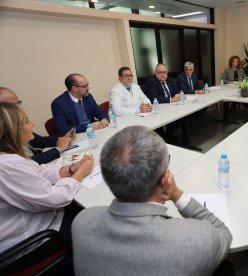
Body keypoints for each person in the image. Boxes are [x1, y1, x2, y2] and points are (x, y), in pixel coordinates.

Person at [72, 126, 232, 275]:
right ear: (165, 180)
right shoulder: (195, 238)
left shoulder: (82, 222)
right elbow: (224, 234)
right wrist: (177, 194)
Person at [0, 103, 94, 253]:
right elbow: (56, 198)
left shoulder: (9, 157)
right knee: (97, 220)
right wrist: (80, 173)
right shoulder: (7, 165)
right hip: (34, 239)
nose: (32, 124)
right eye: (26, 121)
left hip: (41, 219)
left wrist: (70, 169)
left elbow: (38, 170)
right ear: (13, 130)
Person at [0, 87, 75, 165]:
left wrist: (61, 139)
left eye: (18, 103)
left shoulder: (17, 125)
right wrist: (58, 149)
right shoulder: (3, 135)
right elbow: (25, 163)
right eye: (13, 105)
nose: (19, 108)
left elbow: (39, 141)